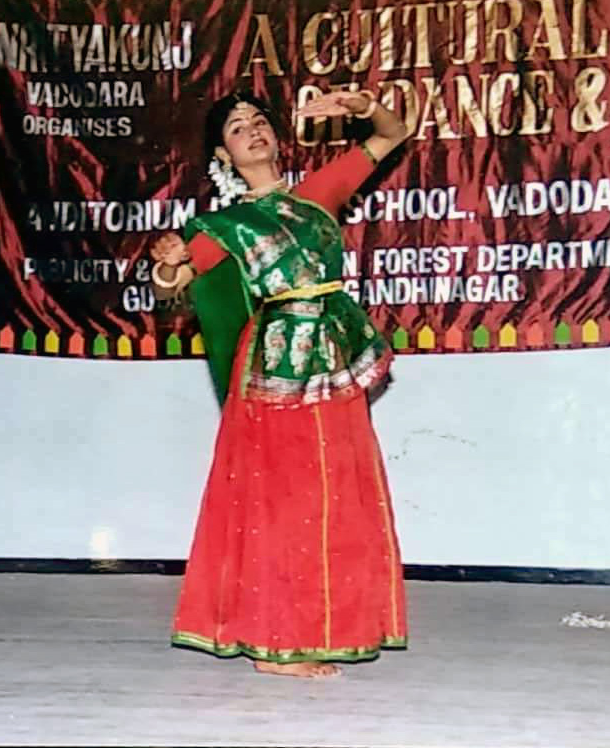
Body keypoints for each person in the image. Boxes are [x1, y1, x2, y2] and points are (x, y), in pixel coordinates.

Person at [151, 89, 411, 678]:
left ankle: (324, 628)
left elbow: (391, 135)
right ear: (224, 154)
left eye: (259, 120)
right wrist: (167, 261)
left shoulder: (316, 195)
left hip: (333, 357)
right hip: (275, 366)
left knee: (338, 492)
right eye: (237, 127)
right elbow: (173, 284)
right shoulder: (225, 227)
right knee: (283, 499)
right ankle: (276, 643)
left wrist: (364, 107)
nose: (253, 130)